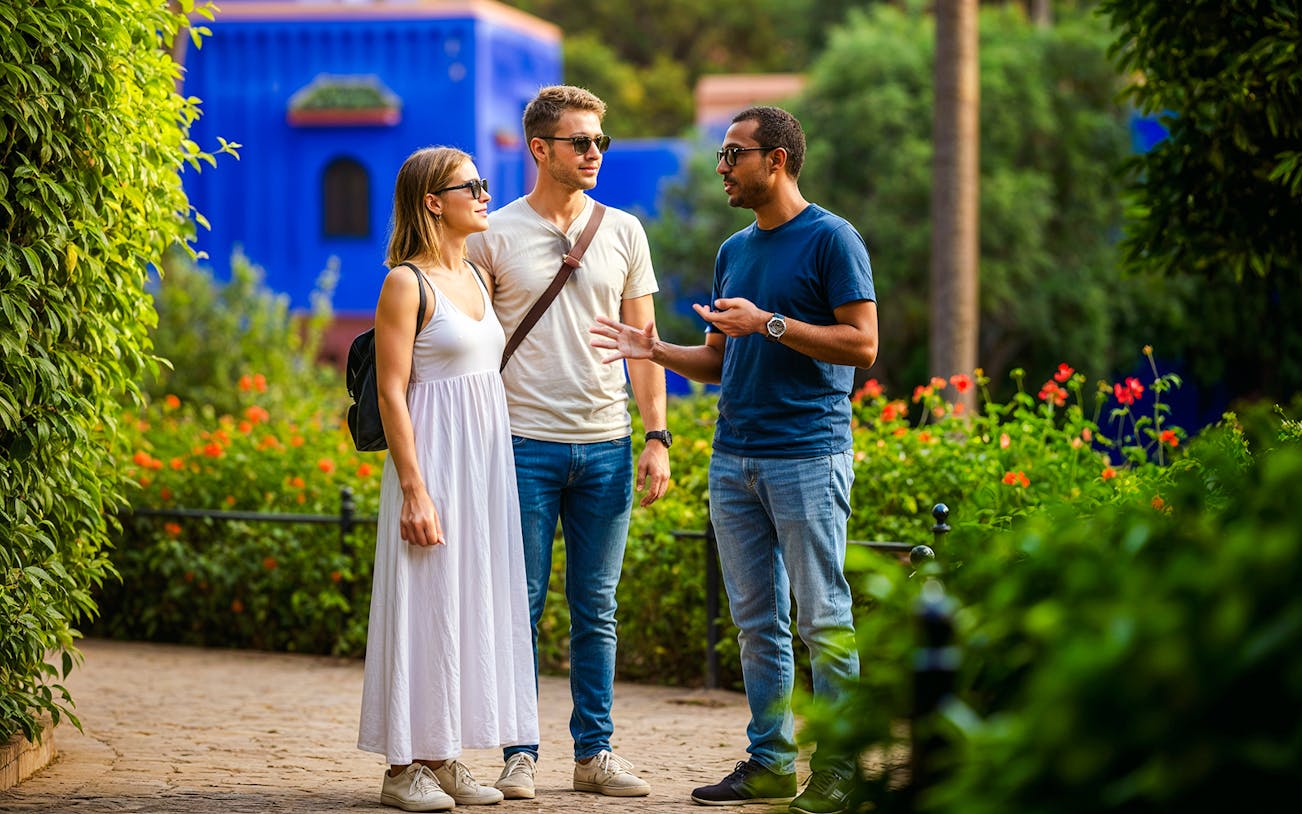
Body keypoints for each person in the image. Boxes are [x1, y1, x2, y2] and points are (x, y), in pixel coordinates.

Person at [590, 106, 877, 814]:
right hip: (734, 459)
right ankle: (771, 763)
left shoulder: (833, 239)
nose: (722, 167)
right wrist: (653, 350)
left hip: (808, 455)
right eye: (723, 156)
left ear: (776, 160)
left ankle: (840, 769)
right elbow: (720, 360)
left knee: (823, 619)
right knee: (756, 625)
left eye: (733, 154)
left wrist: (769, 323)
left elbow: (863, 344)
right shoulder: (733, 250)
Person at [465, 85, 670, 800]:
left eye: (599, 143)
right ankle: (519, 753)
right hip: (522, 444)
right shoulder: (491, 235)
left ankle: (595, 754)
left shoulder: (624, 231)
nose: (593, 154)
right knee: (518, 605)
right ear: (540, 149)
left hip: (609, 444)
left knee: (597, 607)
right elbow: (466, 346)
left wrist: (656, 436)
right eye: (579, 142)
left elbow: (642, 346)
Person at [358, 146, 539, 812]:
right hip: (432, 461)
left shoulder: (473, 276)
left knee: (466, 603)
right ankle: (403, 767)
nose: (487, 194)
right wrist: (414, 488)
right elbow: (392, 391)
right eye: (476, 186)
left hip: (482, 466)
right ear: (434, 201)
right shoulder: (406, 283)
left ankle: (444, 755)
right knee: (423, 602)